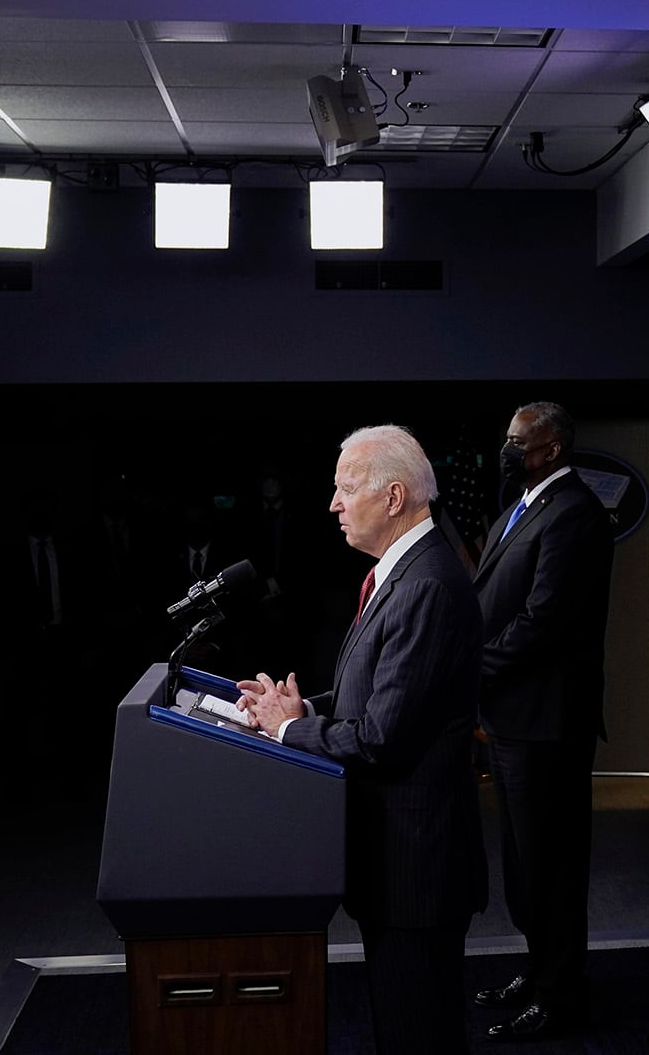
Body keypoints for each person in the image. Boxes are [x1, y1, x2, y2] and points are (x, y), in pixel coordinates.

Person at [240, 425, 487, 1055]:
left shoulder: (426, 584)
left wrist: (292, 729)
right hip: (399, 862)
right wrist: (298, 708)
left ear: (395, 497)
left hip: (416, 869)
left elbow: (383, 738)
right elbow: (372, 696)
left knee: (418, 1035)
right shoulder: (397, 575)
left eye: (346, 489)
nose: (334, 504)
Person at [470, 402, 614, 1041]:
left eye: (516, 441)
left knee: (552, 865)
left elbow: (544, 621)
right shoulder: (519, 507)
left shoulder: (576, 514)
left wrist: (471, 670)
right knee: (524, 863)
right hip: (510, 719)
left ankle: (562, 997)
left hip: (548, 722)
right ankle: (539, 970)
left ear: (551, 447)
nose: (506, 450)